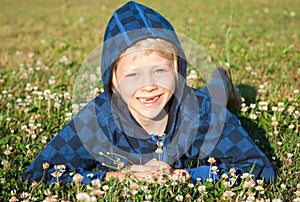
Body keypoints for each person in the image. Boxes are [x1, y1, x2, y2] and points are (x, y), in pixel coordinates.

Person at [22, 1, 275, 185]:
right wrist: (115, 178)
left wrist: (187, 176)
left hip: (207, 100)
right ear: (112, 81)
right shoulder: (98, 119)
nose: (148, 85)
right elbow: (37, 175)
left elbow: (259, 168)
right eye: (132, 75)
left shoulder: (203, 112)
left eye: (160, 71)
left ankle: (222, 83)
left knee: (215, 96)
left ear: (178, 70)